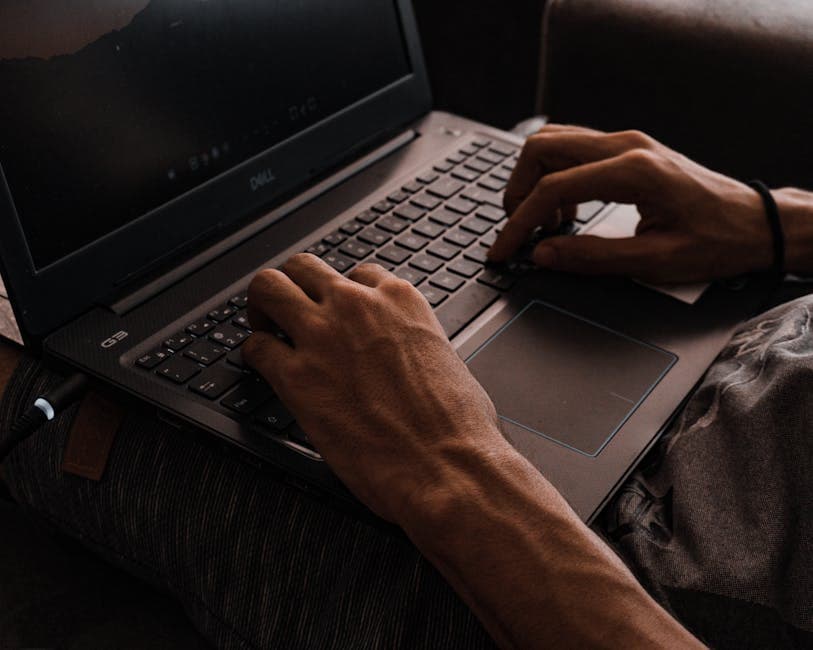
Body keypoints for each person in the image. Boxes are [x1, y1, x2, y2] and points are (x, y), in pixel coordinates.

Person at [1, 125, 812, 648]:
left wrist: (446, 463)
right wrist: (777, 220)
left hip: (592, 569)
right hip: (764, 308)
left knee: (36, 371)